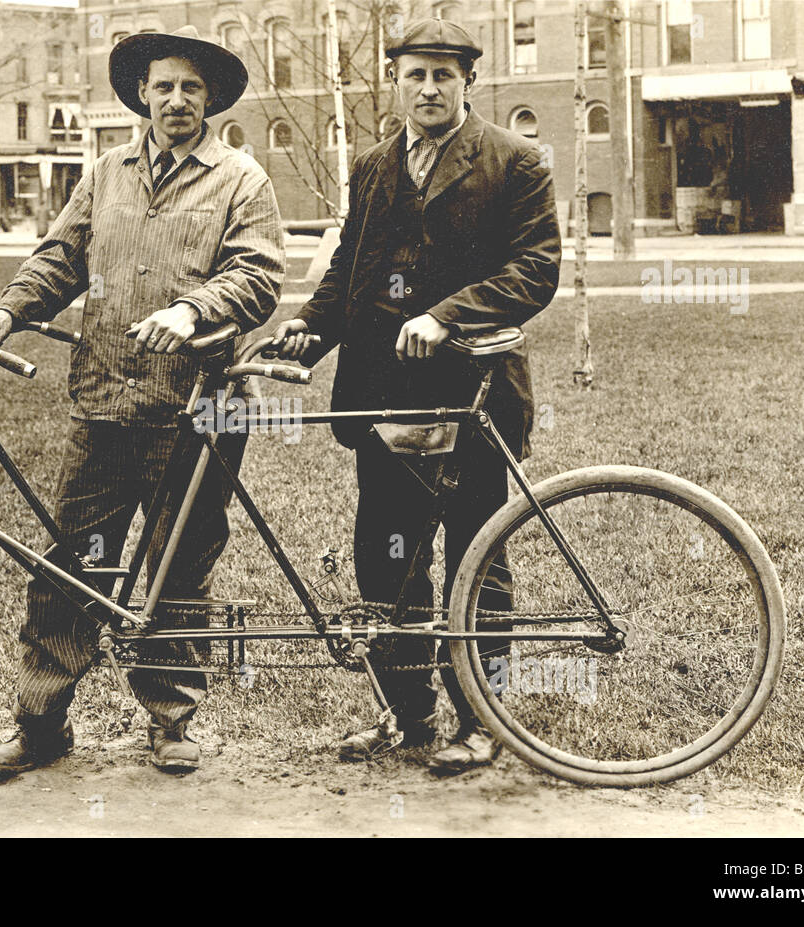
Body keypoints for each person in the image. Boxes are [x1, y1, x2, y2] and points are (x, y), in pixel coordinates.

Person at [0, 26, 285, 776]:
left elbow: (261, 275)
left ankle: (171, 720)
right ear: (141, 93)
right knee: (71, 563)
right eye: (164, 86)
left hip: (203, 407)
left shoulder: (242, 179)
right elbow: (61, 256)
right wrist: (10, 309)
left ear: (209, 101)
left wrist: (195, 311)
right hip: (105, 398)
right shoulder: (104, 172)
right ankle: (41, 725)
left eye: (191, 89)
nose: (177, 100)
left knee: (181, 567)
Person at [271, 18, 561, 774]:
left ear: (467, 81)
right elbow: (350, 269)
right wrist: (308, 328)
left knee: (477, 560)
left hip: (473, 396)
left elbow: (536, 270)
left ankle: (483, 721)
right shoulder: (371, 166)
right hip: (384, 397)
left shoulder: (515, 161)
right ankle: (408, 715)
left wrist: (445, 315)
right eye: (414, 74)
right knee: (387, 562)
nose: (427, 88)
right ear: (395, 80)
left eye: (443, 74)